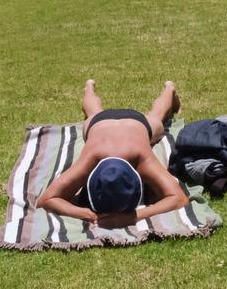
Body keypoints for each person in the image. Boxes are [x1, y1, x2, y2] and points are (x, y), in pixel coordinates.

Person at [36, 80, 189, 228]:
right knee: (156, 115)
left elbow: (179, 199)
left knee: (95, 112)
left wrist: (132, 217)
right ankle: (168, 88)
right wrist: (81, 213)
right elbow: (46, 200)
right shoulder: (96, 157)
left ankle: (90, 87)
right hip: (117, 124)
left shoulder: (137, 156)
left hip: (119, 123)